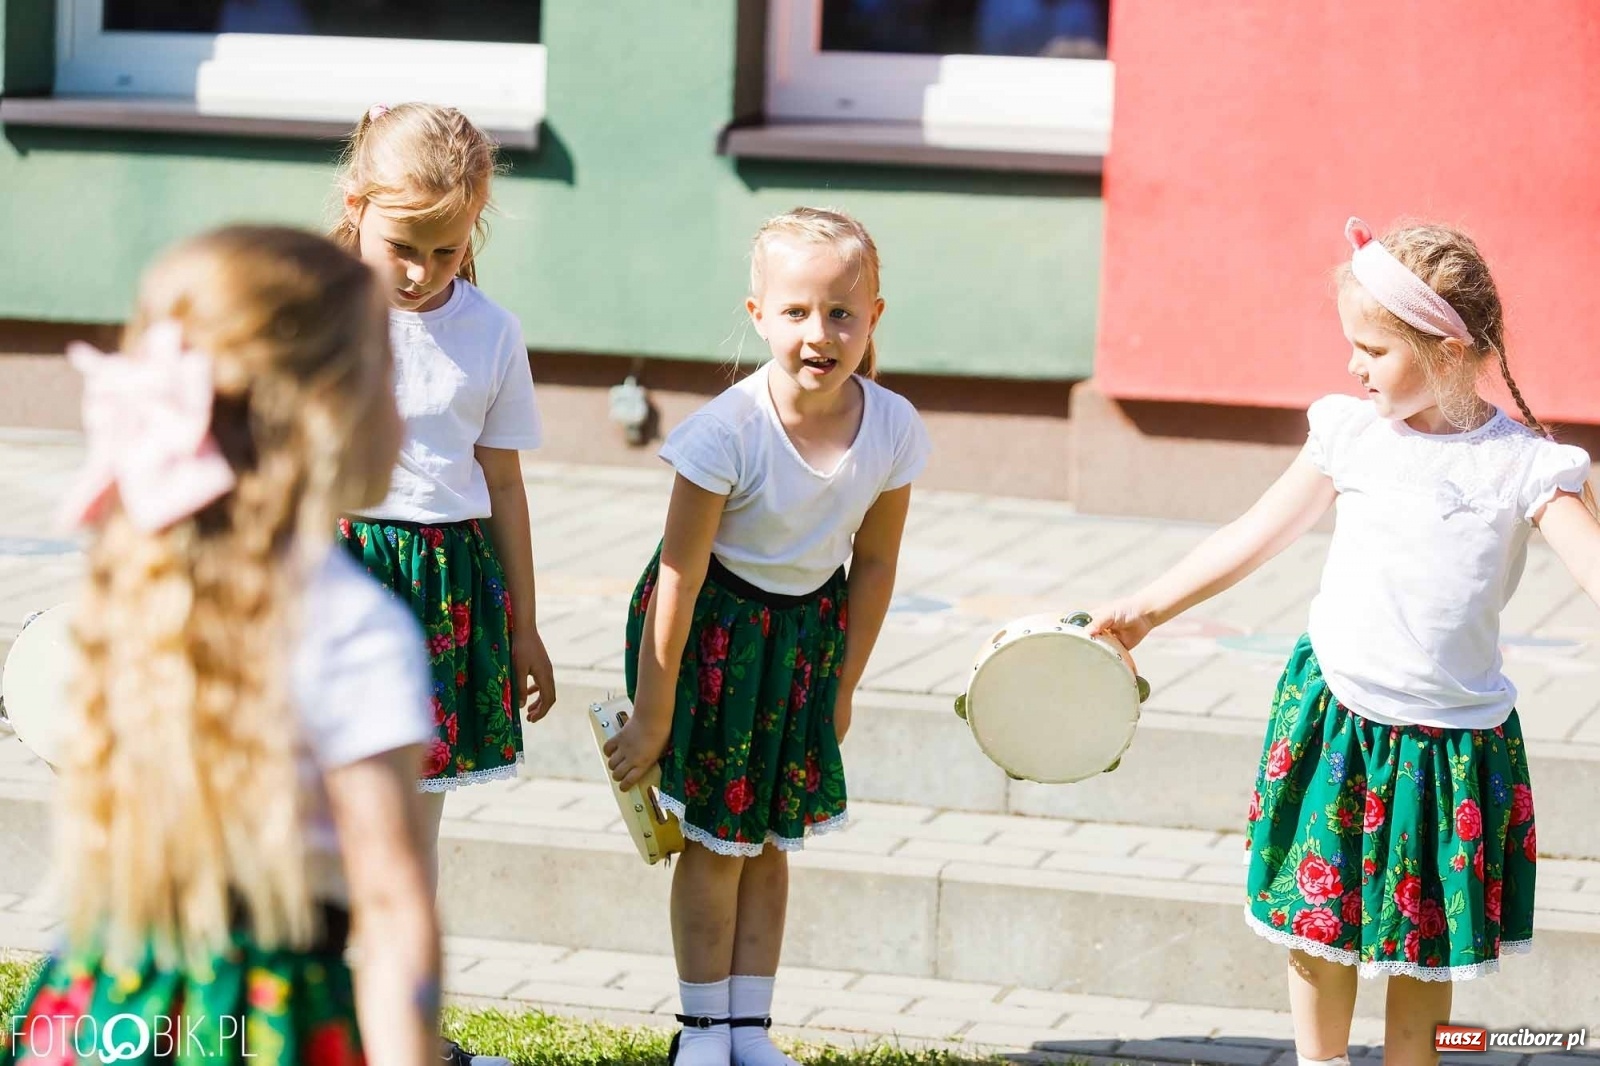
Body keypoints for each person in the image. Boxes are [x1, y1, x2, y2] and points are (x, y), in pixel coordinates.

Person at [1089, 217, 1600, 1066]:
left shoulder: (1522, 467)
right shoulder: (1350, 434)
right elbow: (1255, 533)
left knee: (1420, 956)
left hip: (1450, 744)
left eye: (1371, 348)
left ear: (1441, 346)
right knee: (1316, 933)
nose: (1351, 365)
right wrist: (1147, 608)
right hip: (1338, 719)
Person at [3, 226, 440, 1065]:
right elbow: (392, 913)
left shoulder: (140, 579)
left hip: (105, 1003)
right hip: (262, 1023)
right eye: (390, 370)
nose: (406, 405)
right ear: (324, 410)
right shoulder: (352, 624)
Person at [605, 207, 931, 1066]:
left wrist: (845, 684)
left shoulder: (894, 426)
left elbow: (875, 564)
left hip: (807, 639)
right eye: (795, 312)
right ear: (759, 317)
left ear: (873, 319)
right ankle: (702, 1032)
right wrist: (652, 712)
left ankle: (751, 1028)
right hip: (714, 635)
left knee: (772, 840)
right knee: (717, 844)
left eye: (841, 313)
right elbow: (677, 576)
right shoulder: (725, 433)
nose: (818, 333)